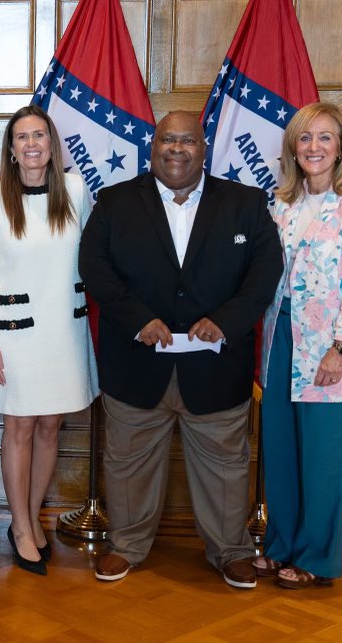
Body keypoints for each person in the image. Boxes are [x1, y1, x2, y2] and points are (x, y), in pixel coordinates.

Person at [79, 110, 282, 588]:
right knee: (127, 462)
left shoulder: (246, 203)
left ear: (203, 147)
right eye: (167, 140)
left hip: (216, 368)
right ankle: (126, 544)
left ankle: (230, 551)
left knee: (227, 467)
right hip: (135, 364)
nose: (176, 149)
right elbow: (95, 267)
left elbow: (264, 273)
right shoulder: (114, 202)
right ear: (152, 148)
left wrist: (227, 321)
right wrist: (138, 319)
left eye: (187, 141)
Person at [254, 102, 342, 589]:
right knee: (282, 451)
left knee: (324, 456)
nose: (314, 148)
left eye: (325, 138)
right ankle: (281, 544)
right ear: (293, 147)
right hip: (280, 340)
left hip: (331, 348)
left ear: (341, 146)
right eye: (305, 139)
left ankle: (318, 557)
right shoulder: (280, 202)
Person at [0, 106, 98, 576]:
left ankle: (32, 513)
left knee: (51, 426)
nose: (31, 144)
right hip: (14, 333)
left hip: (65, 330)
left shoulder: (77, 190)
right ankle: (21, 524)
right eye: (22, 137)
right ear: (10, 147)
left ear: (51, 142)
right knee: (20, 427)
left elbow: (95, 254)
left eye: (39, 135)